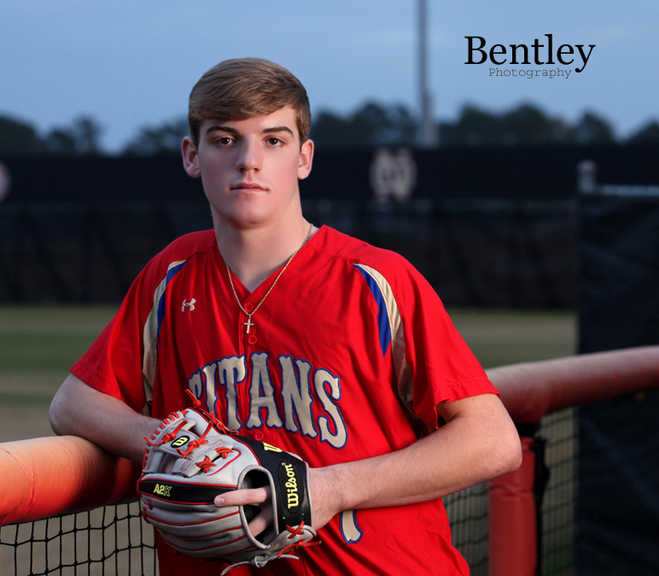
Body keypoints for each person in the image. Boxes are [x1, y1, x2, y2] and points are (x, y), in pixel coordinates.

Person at [49, 57, 521, 575]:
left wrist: (330, 488)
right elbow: (74, 404)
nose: (249, 161)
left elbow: (492, 440)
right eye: (225, 139)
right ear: (191, 155)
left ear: (304, 157)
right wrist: (189, 453)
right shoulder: (171, 276)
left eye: (273, 140)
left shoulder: (374, 280)